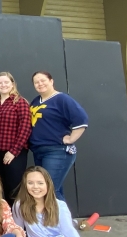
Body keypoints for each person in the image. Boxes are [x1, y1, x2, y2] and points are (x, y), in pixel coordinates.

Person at [29, 71, 88, 201]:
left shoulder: (62, 99)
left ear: (51, 81)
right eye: (36, 82)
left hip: (57, 151)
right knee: (54, 190)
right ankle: (63, 221)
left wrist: (71, 138)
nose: (40, 84)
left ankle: (60, 221)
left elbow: (82, 119)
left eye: (43, 80)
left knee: (48, 189)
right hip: (39, 151)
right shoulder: (35, 101)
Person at [0, 71, 31, 204]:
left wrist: (13, 152)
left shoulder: (20, 102)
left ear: (12, 84)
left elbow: (25, 128)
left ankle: (17, 221)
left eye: (6, 82)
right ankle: (3, 219)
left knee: (14, 189)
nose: (3, 85)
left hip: (15, 153)